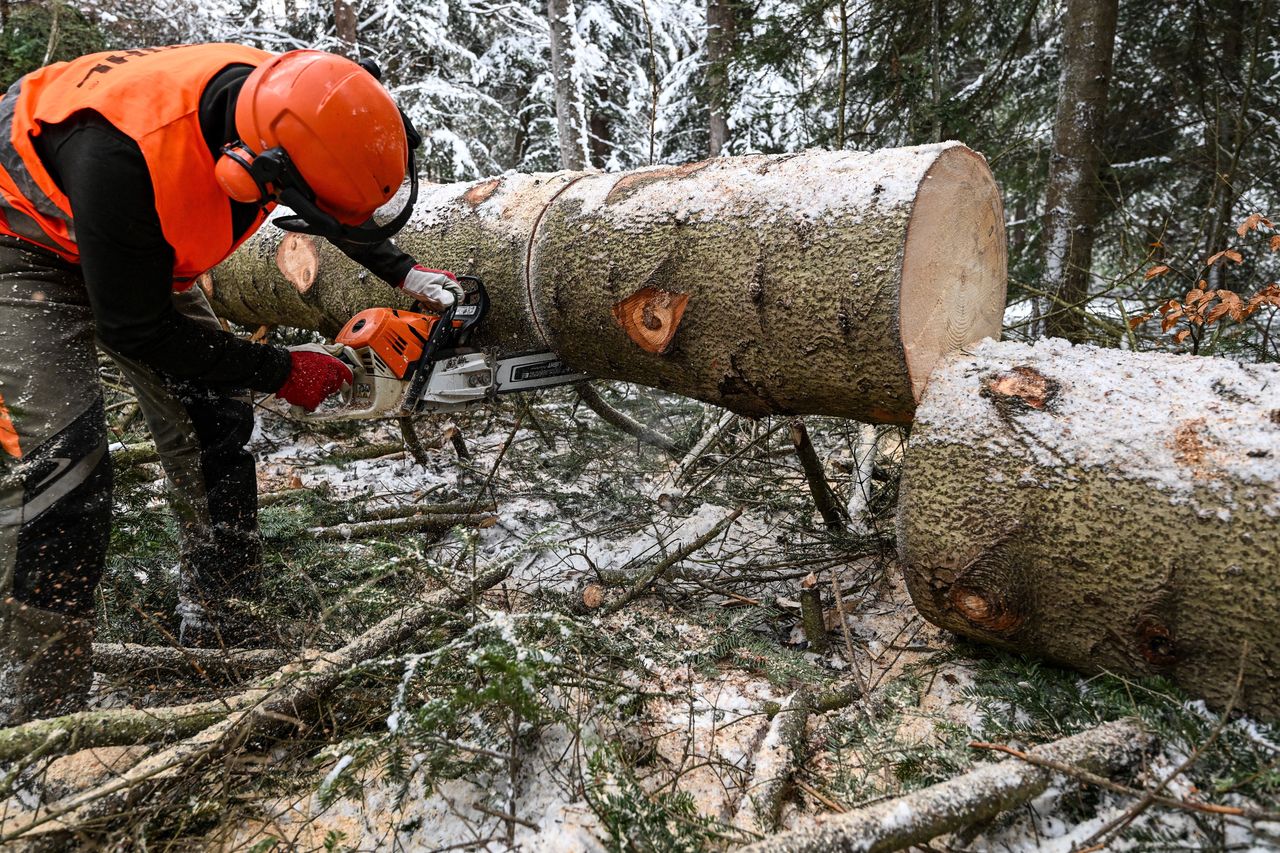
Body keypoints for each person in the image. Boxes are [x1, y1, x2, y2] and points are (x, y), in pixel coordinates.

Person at [0, 44, 462, 725]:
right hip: (22, 243)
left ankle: (221, 617)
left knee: (216, 415)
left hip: (129, 240)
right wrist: (280, 370)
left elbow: (325, 192)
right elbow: (139, 330)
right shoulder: (123, 158)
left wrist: (403, 271)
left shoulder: (294, 100)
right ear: (248, 169)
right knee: (63, 470)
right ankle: (35, 710)